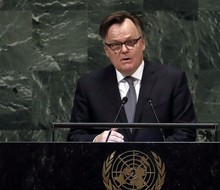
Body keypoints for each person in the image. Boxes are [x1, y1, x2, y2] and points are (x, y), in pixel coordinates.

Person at [67, 11, 196, 142]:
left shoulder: (172, 80)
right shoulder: (89, 85)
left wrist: (156, 152)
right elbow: (75, 136)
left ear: (143, 43)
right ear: (106, 50)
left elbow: (186, 132)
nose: (124, 50)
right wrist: (96, 140)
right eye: (115, 45)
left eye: (130, 42)